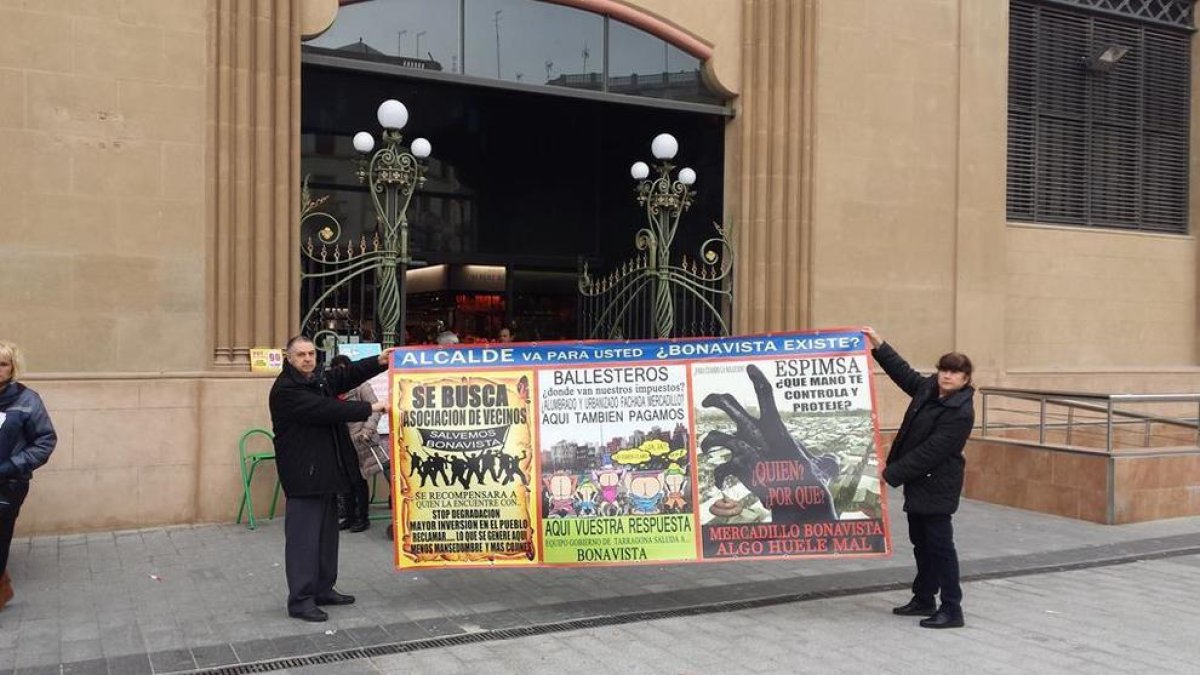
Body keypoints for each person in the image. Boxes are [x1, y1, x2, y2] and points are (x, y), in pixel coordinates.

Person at [269, 336, 389, 622]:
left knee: (326, 538)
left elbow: (344, 375)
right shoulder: (286, 390)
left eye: (311, 353)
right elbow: (326, 410)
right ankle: (300, 600)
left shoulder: (318, 379)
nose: (308, 359)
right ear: (288, 358)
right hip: (303, 475)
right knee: (303, 541)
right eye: (300, 355)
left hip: (326, 471)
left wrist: (378, 362)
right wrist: (369, 408)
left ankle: (323, 589)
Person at [864, 327, 973, 629]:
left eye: (954, 373)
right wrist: (879, 343)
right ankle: (924, 597)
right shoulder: (929, 390)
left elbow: (932, 451)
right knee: (921, 543)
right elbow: (904, 374)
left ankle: (952, 608)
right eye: (944, 370)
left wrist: (889, 473)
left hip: (938, 485)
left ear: (965, 379)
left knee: (940, 546)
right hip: (919, 482)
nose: (947, 376)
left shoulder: (960, 411)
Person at [0, 341, 56, 611]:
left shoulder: (27, 399)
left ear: (13, 368)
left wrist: (10, 467)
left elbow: (45, 441)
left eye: (3, 364)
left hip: (8, 484)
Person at [328, 354, 383, 533]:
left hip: (360, 439)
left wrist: (367, 431)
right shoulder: (332, 389)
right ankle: (349, 516)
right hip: (340, 439)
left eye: (344, 369)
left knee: (359, 479)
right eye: (337, 370)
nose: (341, 373)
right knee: (345, 478)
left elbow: (376, 409)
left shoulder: (361, 387)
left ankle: (362, 517)